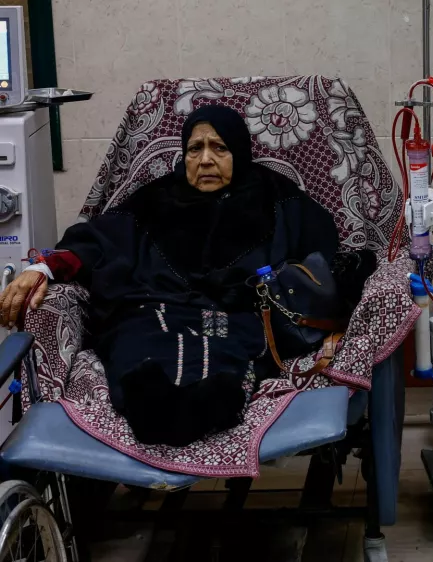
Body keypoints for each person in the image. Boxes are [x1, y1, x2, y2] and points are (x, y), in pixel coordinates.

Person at [0, 105, 373, 447]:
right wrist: (42, 268)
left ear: (239, 152)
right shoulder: (154, 200)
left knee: (226, 353)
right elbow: (95, 242)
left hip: (235, 314)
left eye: (219, 148)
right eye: (195, 149)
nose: (206, 160)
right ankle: (149, 406)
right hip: (151, 308)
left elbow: (323, 259)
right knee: (137, 349)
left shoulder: (277, 200)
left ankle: (216, 400)